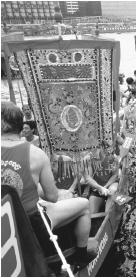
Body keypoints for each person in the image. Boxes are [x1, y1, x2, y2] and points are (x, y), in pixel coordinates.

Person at [1, 101, 95, 268]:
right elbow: (52, 197)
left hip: (5, 219)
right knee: (84, 205)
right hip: (30, 222)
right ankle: (81, 257)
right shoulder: (37, 154)